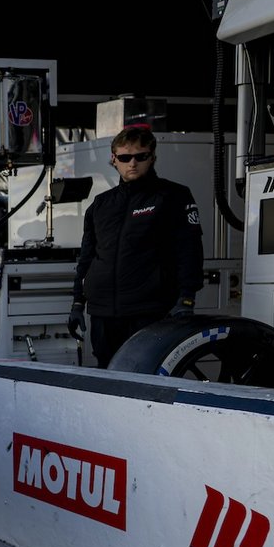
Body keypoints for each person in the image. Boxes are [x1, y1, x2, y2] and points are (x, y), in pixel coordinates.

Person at [68, 126, 204, 367]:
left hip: (149, 310)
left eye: (141, 156)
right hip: (103, 312)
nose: (132, 163)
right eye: (125, 157)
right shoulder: (100, 204)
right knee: (108, 374)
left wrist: (186, 298)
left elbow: (189, 250)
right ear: (114, 160)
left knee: (146, 373)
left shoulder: (173, 196)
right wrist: (78, 303)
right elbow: (87, 258)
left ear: (152, 157)